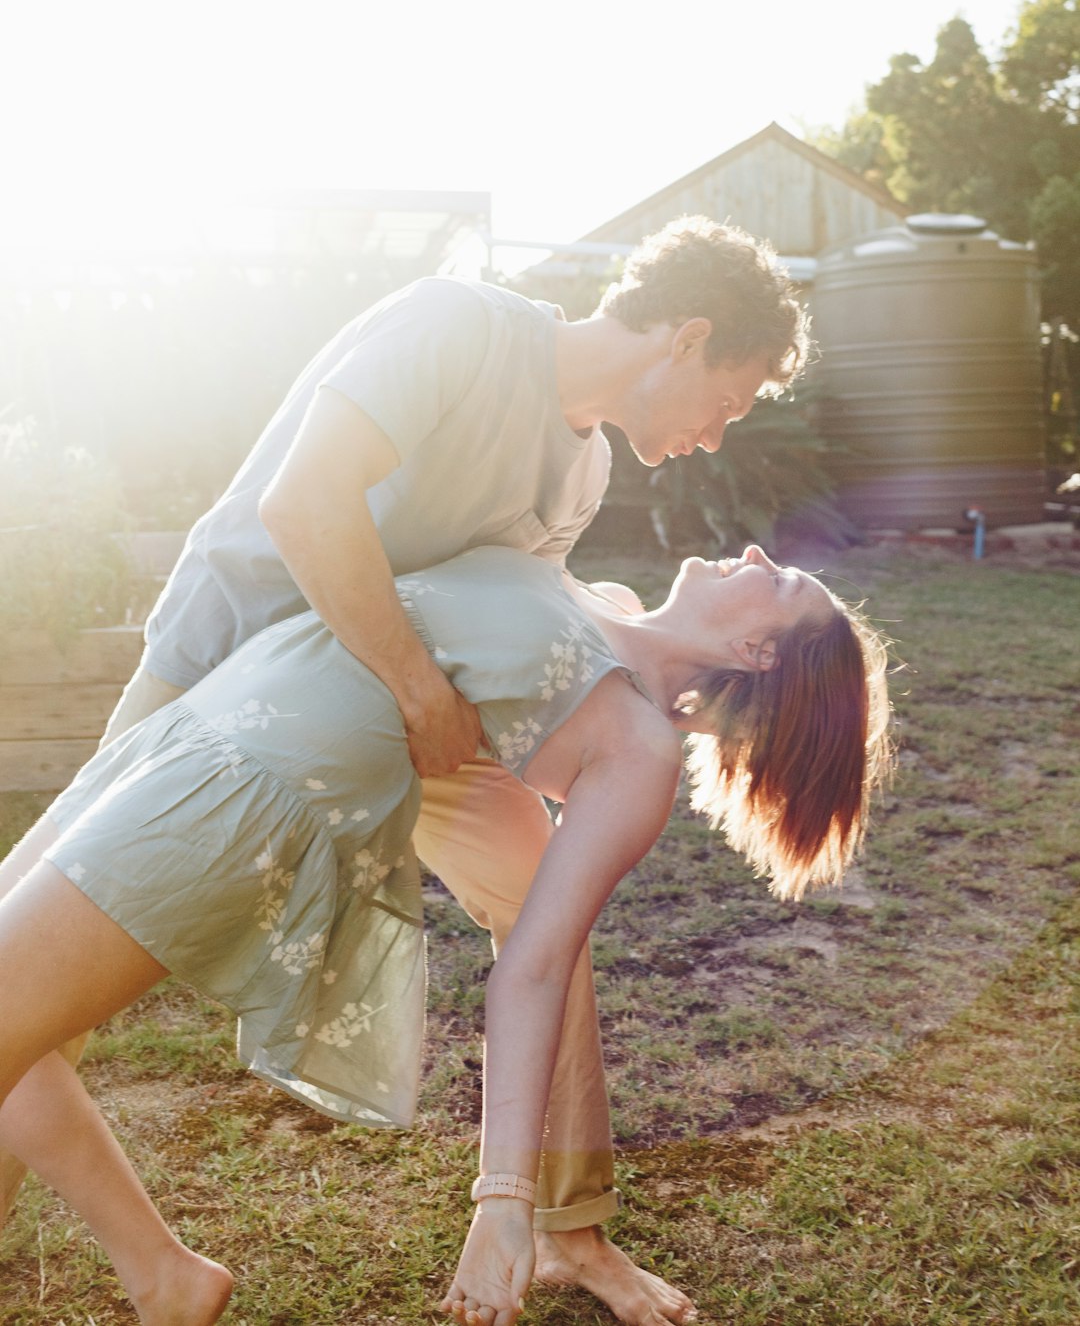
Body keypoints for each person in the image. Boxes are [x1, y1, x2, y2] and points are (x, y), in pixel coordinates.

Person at [0, 216, 811, 1322]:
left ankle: (568, 1231)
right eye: (730, 400)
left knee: (548, 920)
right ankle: (128, 1260)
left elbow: (503, 626)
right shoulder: (456, 326)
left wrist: (578, 763)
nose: (717, 436)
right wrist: (423, 693)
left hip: (404, 711)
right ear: (689, 338)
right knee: (40, 990)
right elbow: (304, 504)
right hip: (234, 675)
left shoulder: (582, 474)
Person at [0, 542, 892, 1326]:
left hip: (245, 796)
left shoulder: (636, 746)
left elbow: (537, 965)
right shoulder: (605, 595)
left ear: (756, 651)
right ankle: (164, 1277)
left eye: (780, 582)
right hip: (204, 722)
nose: (753, 553)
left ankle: (173, 1276)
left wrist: (502, 1198)